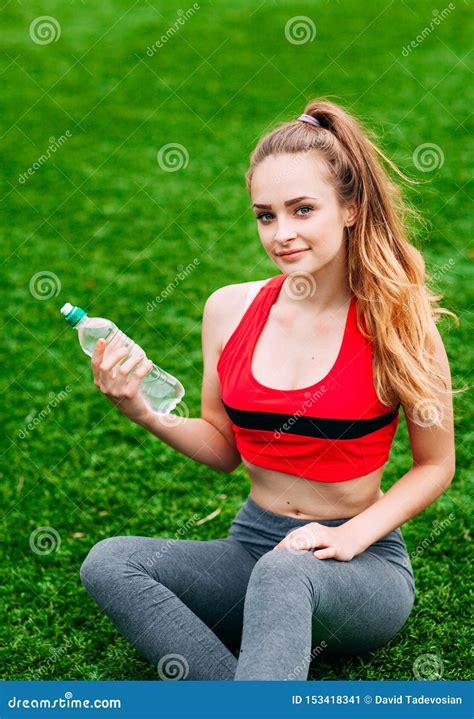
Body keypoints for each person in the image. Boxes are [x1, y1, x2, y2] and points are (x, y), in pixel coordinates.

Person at [79, 98, 459, 681]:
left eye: (303, 210)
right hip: (252, 548)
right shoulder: (228, 309)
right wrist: (141, 410)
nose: (282, 234)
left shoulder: (398, 322)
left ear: (351, 208)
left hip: (359, 566)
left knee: (286, 572)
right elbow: (223, 448)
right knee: (112, 563)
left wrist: (353, 536)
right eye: (265, 215)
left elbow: (436, 466)